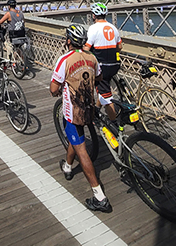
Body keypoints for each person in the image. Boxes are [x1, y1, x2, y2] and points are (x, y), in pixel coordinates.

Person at [50, 24, 111, 213]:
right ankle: (68, 167)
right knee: (75, 140)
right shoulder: (92, 58)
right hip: (89, 108)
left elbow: (53, 89)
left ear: (68, 40)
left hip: (73, 113)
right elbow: (99, 77)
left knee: (82, 149)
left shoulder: (64, 59)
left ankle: (99, 196)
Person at [84, 2, 122, 121]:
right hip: (115, 65)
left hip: (101, 66)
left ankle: (114, 124)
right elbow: (120, 47)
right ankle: (96, 108)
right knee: (103, 88)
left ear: (94, 16)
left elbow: (87, 48)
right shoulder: (113, 27)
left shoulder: (93, 28)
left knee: (106, 96)